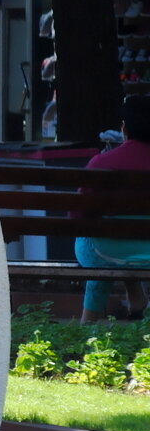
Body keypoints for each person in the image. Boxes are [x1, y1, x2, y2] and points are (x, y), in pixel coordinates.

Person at [75, 94, 150, 323]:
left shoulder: (101, 163)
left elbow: (77, 215)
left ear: (124, 129)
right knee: (131, 238)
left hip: (105, 253)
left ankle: (88, 321)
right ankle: (137, 298)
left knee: (98, 239)